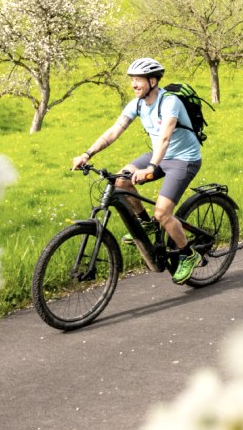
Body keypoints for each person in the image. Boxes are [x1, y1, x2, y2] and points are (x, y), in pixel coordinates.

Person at [71, 57, 204, 284]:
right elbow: (114, 131)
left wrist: (152, 167)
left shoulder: (170, 102)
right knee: (121, 182)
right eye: (132, 80)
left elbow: (164, 138)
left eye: (138, 80)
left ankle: (188, 254)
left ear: (152, 81)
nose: (133, 84)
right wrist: (87, 154)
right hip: (158, 156)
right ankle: (146, 223)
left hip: (183, 159)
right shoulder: (137, 104)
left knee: (163, 213)